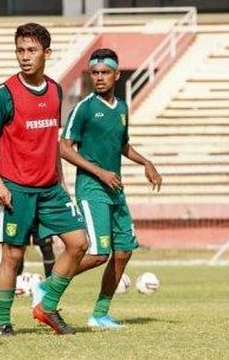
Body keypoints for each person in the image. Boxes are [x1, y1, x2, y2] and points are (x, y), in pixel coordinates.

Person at [0, 23, 88, 336]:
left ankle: (47, 305)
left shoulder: (55, 91)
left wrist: (63, 183)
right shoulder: (4, 94)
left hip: (51, 189)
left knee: (79, 244)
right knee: (13, 256)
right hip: (16, 189)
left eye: (31, 50)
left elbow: (51, 140)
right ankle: (3, 323)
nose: (25, 57)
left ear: (47, 53)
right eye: (20, 50)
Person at [59, 48, 163, 329]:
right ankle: (48, 287)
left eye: (105, 72)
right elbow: (64, 148)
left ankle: (100, 314)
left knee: (123, 252)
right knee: (97, 253)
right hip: (92, 187)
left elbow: (122, 145)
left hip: (115, 188)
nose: (100, 77)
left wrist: (146, 162)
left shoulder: (122, 108)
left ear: (117, 74)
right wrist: (99, 172)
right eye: (95, 73)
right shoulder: (84, 107)